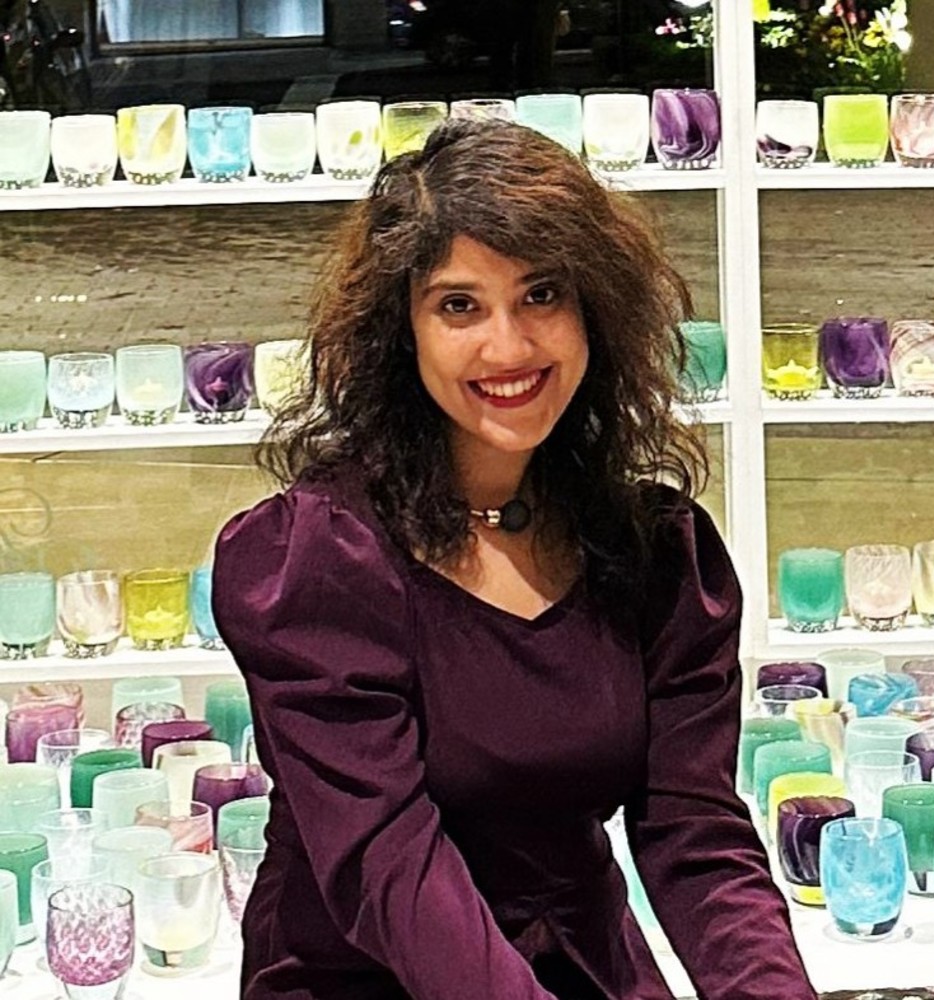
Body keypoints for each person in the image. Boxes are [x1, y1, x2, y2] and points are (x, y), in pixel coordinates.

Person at [212, 118, 818, 1000]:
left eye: (542, 296)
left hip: (583, 965)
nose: (510, 347)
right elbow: (387, 865)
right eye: (460, 305)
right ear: (403, 331)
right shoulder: (318, 561)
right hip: (368, 973)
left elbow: (696, 835)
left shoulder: (653, 548)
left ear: (595, 314)